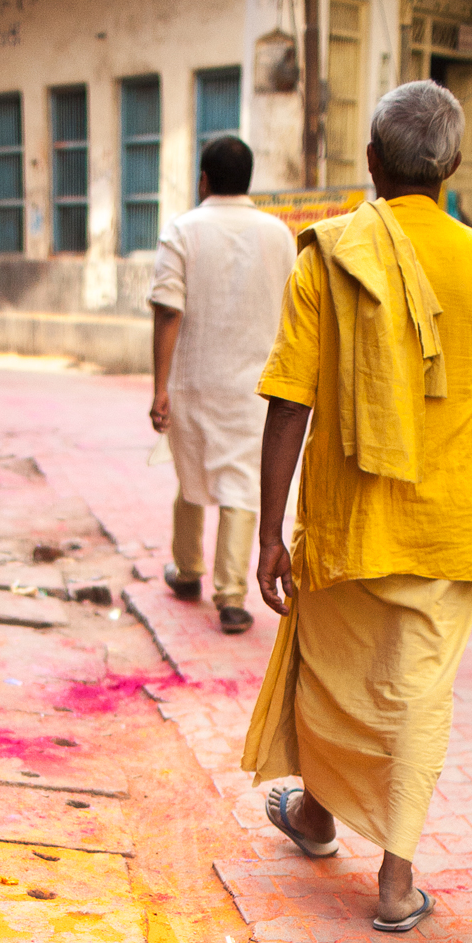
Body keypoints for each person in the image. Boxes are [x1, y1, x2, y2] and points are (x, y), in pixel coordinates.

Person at [241, 79, 472, 932]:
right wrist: (467, 490)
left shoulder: (326, 253)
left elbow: (289, 401)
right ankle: (388, 878)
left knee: (331, 683)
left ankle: (323, 818)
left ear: (371, 162)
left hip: (343, 522)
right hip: (441, 528)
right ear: (455, 166)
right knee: (416, 699)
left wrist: (267, 536)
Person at [148, 135, 296, 633]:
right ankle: (231, 598)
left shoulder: (182, 230)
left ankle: (188, 570)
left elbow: (168, 309)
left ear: (204, 179)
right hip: (258, 385)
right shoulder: (280, 236)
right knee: (240, 485)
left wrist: (159, 387)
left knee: (190, 471)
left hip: (194, 379)